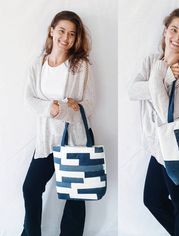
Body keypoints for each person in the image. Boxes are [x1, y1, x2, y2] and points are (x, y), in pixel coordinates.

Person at [128, 8, 179, 236]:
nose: (177, 37)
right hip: (158, 148)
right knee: (152, 200)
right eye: (174, 30)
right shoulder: (151, 61)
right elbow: (132, 91)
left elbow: (170, 115)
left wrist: (157, 77)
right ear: (165, 31)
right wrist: (163, 77)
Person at [21, 10, 94, 236]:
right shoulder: (38, 64)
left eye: (72, 34)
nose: (66, 37)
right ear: (52, 31)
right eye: (62, 30)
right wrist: (50, 108)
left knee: (75, 194)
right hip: (46, 141)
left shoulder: (80, 66)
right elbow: (29, 98)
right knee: (30, 188)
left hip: (74, 141)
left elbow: (89, 105)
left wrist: (64, 109)